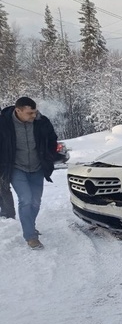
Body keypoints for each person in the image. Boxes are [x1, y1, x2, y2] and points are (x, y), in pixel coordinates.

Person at [0, 97, 62, 249]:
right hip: (16, 168)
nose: (34, 116)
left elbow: (52, 140)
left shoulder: (42, 121)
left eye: (35, 112)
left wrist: (49, 155)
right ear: (18, 110)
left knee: (36, 201)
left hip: (37, 168)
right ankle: (30, 237)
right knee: (26, 199)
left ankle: (30, 225)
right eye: (30, 113)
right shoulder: (4, 123)